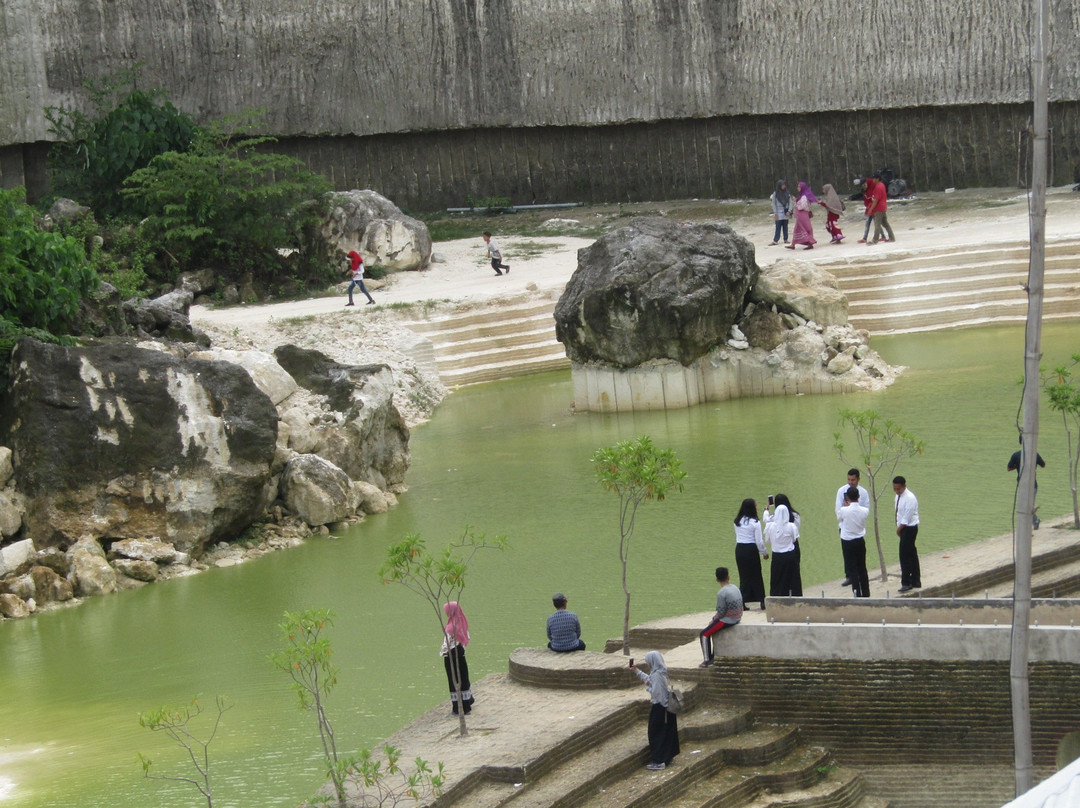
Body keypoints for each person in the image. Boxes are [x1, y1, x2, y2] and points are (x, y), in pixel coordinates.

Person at [631, 650, 680, 770]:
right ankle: (667, 756)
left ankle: (659, 760)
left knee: (656, 733)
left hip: (660, 708)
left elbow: (657, 693)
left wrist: (647, 687)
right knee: (667, 732)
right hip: (668, 709)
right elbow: (650, 679)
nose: (648, 664)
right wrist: (637, 671)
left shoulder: (657, 676)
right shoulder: (661, 672)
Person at [698, 566, 744, 667]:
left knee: (704, 634)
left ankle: (707, 660)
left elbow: (721, 613)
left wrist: (713, 620)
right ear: (728, 577)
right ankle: (713, 656)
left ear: (717, 580)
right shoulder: (735, 588)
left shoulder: (721, 593)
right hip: (738, 617)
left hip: (728, 620)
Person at [835, 469, 870, 586]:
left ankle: (859, 575)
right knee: (847, 554)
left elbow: (866, 509)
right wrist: (847, 511)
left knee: (859, 554)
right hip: (845, 526)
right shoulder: (841, 491)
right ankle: (849, 576)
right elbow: (838, 510)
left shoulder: (863, 492)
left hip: (858, 526)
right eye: (849, 479)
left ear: (858, 479)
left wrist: (854, 509)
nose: (851, 482)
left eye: (853, 480)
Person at [763, 493, 802, 596]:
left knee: (778, 578)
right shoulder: (794, 517)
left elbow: (766, 521)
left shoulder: (772, 523)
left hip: (777, 554)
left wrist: (766, 509)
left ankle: (778, 596)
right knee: (793, 576)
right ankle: (794, 595)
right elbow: (794, 538)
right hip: (791, 550)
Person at [440, 601, 474, 715]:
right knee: (463, 677)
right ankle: (467, 703)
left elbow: (446, 644)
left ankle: (458, 708)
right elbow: (466, 638)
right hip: (461, 652)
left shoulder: (450, 627)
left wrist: (443, 653)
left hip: (452, 655)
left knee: (454, 680)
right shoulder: (462, 622)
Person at [733, 499, 768, 610]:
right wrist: (764, 553)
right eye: (755, 505)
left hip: (740, 549)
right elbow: (759, 541)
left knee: (743, 576)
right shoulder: (755, 522)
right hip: (751, 549)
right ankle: (762, 600)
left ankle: (743, 601)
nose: (757, 506)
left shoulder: (737, 521)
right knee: (756, 575)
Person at [838, 486, 871, 597]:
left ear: (847, 497)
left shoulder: (843, 510)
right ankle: (866, 593)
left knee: (852, 569)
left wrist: (846, 505)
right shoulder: (865, 511)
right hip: (860, 540)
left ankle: (857, 593)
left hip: (847, 541)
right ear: (858, 496)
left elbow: (840, 518)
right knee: (862, 567)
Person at [1007, 436, 1046, 529]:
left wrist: (1017, 466)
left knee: (1025, 506)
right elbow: (1043, 465)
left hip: (1022, 484)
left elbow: (1009, 468)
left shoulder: (1016, 455)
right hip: (1033, 485)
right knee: (1029, 506)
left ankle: (1032, 523)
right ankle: (1034, 522)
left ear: (1020, 442)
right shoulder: (1035, 454)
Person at [893, 476, 921, 592]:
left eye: (898, 488)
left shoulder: (910, 498)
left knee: (904, 555)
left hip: (909, 528)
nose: (896, 491)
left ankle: (906, 582)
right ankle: (915, 581)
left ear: (904, 486)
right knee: (911, 554)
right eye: (895, 488)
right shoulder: (898, 496)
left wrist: (899, 529)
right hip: (903, 527)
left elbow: (907, 517)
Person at [786, 182, 817, 250]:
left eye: (799, 187)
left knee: (805, 228)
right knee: (797, 229)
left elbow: (802, 206)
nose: (798, 188)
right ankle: (793, 244)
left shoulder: (804, 197)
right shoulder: (801, 196)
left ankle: (810, 243)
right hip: (800, 215)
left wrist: (796, 204)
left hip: (803, 215)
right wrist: (795, 201)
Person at [867, 175, 896, 245]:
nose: (873, 180)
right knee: (885, 224)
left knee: (877, 224)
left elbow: (876, 200)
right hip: (883, 207)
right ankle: (892, 237)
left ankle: (875, 240)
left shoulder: (878, 187)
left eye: (874, 179)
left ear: (877, 179)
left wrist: (871, 209)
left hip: (879, 208)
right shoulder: (882, 185)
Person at [768, 180, 793, 246]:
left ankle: (786, 239)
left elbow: (790, 202)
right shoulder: (775, 194)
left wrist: (789, 210)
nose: (784, 186)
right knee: (778, 226)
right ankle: (776, 240)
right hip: (778, 212)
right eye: (783, 185)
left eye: (784, 185)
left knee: (785, 226)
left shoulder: (787, 193)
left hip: (785, 211)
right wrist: (775, 213)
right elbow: (773, 204)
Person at [857, 178, 875, 243]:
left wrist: (869, 208)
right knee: (869, 224)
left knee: (875, 224)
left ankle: (865, 238)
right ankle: (865, 238)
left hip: (872, 209)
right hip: (870, 209)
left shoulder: (870, 191)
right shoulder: (868, 190)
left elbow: (872, 200)